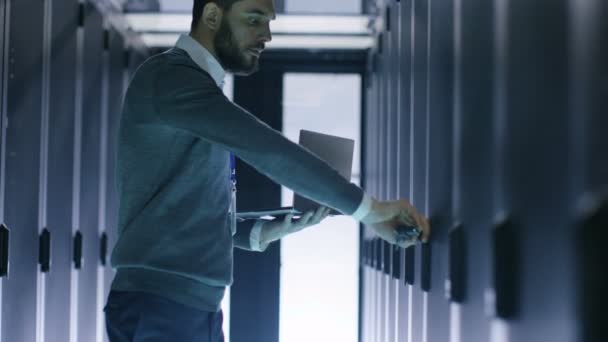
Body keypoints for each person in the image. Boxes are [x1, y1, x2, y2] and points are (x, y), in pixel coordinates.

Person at [103, 0, 430, 341]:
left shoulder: (196, 87)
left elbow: (180, 212)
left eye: (268, 22)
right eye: (254, 19)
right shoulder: (170, 77)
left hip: (186, 307)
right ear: (212, 15)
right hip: (164, 308)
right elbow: (265, 148)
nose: (266, 35)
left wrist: (260, 232)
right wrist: (370, 210)